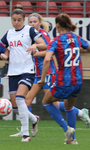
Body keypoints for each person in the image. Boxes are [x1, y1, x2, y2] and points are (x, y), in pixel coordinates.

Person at [37, 13, 90, 144]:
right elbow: (88, 47)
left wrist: (43, 79)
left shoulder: (56, 41)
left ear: (57, 25)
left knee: (46, 101)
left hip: (63, 81)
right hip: (78, 80)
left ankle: (67, 129)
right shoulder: (76, 37)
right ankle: (72, 140)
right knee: (68, 106)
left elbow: (47, 59)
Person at [0, 7, 47, 142]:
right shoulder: (9, 33)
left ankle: (25, 135)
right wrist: (3, 54)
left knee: (20, 99)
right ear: (11, 20)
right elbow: (3, 48)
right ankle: (34, 119)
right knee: (15, 108)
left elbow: (45, 45)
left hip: (27, 71)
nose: (16, 23)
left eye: (19, 20)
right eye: (14, 20)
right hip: (13, 72)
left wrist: (35, 46)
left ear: (24, 20)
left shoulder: (30, 30)